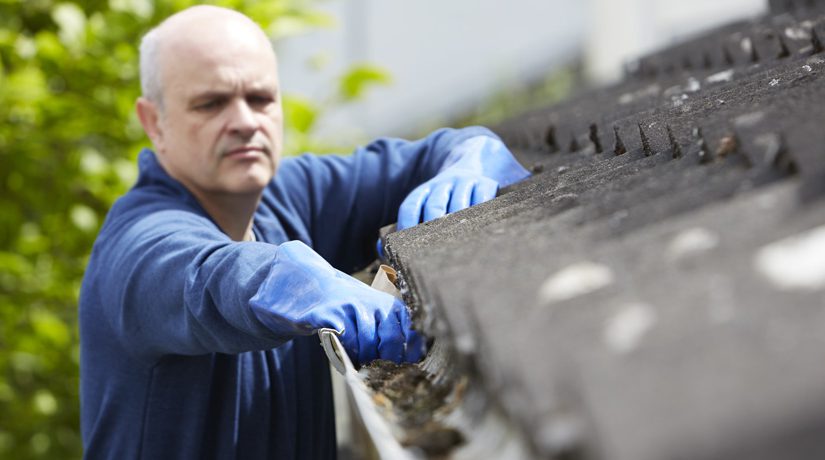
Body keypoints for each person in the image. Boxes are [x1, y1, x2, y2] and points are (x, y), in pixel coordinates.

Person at [78, 5, 529, 459]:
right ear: (154, 122)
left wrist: (473, 157)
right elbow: (202, 278)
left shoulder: (295, 194)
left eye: (260, 98)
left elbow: (445, 149)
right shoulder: (134, 245)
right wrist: (280, 276)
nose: (244, 121)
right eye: (210, 103)